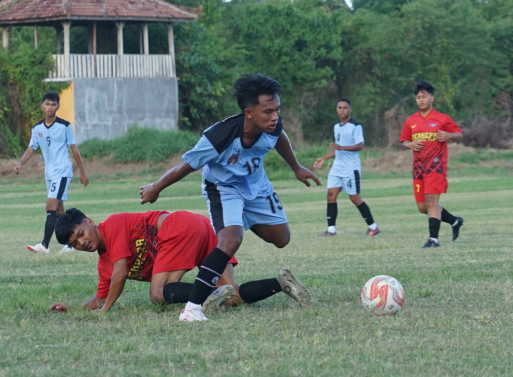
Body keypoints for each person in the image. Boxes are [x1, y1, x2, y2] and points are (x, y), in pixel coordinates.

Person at [140, 73, 321, 321]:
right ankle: (192, 309)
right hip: (224, 189)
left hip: (258, 186)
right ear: (249, 112)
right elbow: (185, 166)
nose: (275, 117)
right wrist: (156, 187)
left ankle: (240, 221)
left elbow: (280, 136)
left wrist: (297, 168)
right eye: (268, 111)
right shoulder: (219, 136)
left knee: (281, 238)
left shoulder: (273, 125)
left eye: (277, 110)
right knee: (230, 241)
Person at [48, 208, 311, 316]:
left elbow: (120, 272)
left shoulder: (113, 225)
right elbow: (101, 296)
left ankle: (206, 295)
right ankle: (281, 284)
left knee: (159, 292)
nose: (81, 243)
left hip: (178, 227)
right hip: (197, 227)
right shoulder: (102, 264)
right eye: (74, 244)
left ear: (90, 223)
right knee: (232, 297)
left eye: (81, 234)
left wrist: (104, 313)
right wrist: (75, 308)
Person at [14, 92, 89, 254]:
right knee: (59, 211)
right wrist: (20, 163)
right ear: (42, 106)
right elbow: (31, 148)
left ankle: (44, 246)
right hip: (49, 174)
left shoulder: (65, 126)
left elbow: (74, 150)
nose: (50, 107)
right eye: (47, 104)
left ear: (58, 106)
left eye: (53, 104)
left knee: (50, 206)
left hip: (62, 172)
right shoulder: (37, 128)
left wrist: (82, 172)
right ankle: (70, 245)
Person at [400, 81, 465, 248]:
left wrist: (449, 135)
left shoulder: (442, 118)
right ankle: (455, 221)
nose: (421, 100)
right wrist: (409, 145)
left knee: (431, 203)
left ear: (432, 98)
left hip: (436, 166)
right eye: (418, 97)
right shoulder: (411, 121)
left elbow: (459, 134)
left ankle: (433, 239)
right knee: (423, 207)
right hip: (418, 168)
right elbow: (404, 140)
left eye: (424, 96)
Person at [313, 98, 380, 237]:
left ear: (350, 110)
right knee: (331, 195)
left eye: (345, 107)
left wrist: (341, 147)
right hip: (337, 167)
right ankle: (331, 230)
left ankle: (373, 227)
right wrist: (323, 158)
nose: (342, 110)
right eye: (339, 107)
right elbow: (337, 149)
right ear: (337, 109)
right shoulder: (337, 126)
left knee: (355, 198)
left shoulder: (356, 126)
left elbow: (360, 145)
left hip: (351, 168)